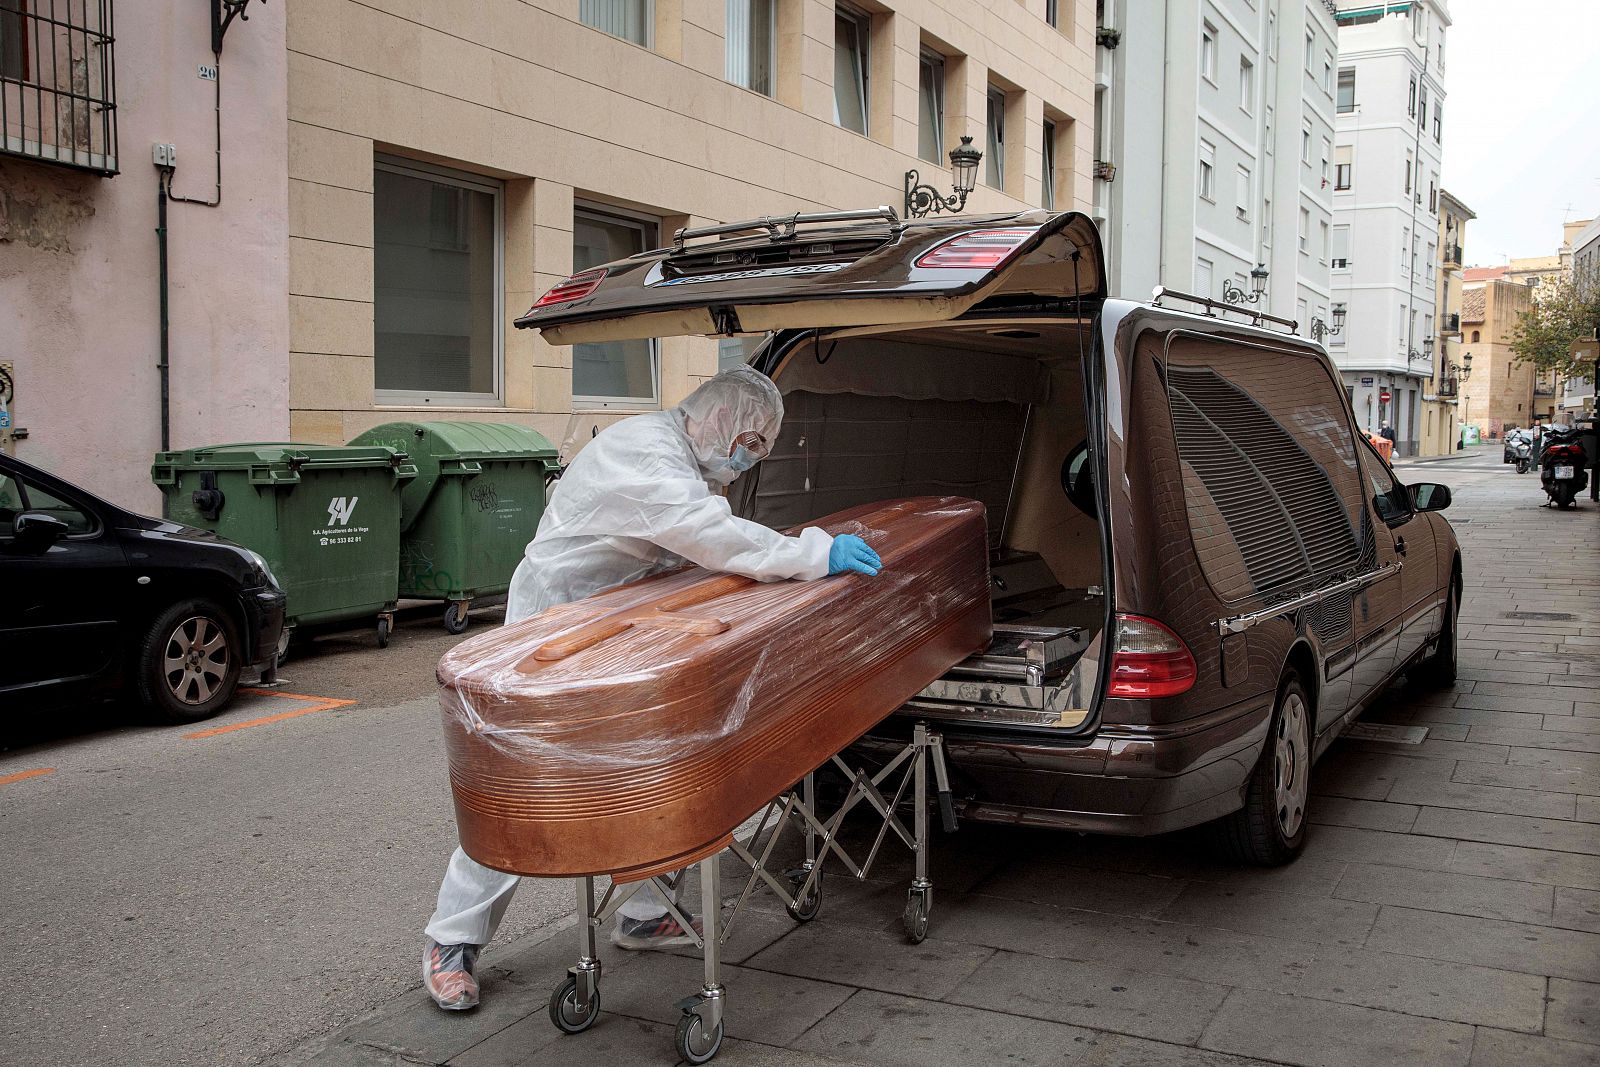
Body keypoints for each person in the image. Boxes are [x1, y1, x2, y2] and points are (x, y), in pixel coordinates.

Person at [421, 366, 883, 1011]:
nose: (748, 458)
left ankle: (645, 912)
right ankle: (452, 943)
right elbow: (707, 534)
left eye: (760, 449)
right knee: (524, 788)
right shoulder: (645, 449)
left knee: (654, 770)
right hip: (557, 630)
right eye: (748, 441)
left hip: (623, 628)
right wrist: (811, 553)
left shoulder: (684, 459)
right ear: (718, 418)